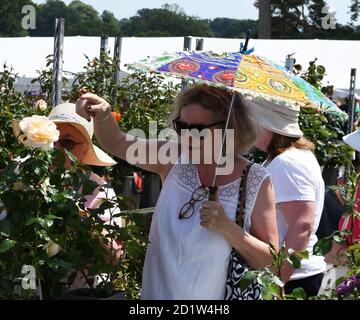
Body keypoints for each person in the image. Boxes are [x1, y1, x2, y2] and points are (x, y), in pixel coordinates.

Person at [75, 84, 278, 300]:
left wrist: (227, 227)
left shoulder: (254, 179)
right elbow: (116, 142)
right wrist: (104, 114)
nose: (187, 136)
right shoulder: (172, 156)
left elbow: (273, 263)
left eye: (198, 129)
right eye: (182, 126)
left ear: (229, 129)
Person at [13, 103, 123, 288]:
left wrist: (78, 213)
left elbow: (113, 259)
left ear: (86, 149)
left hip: (79, 289)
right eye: (50, 140)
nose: (55, 148)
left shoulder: (97, 190)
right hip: (30, 285)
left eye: (67, 142)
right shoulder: (26, 177)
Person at [250, 99, 326, 297]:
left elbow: (302, 225)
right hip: (294, 275)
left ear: (267, 126)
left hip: (293, 279)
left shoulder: (287, 162)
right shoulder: (289, 157)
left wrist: (278, 280)